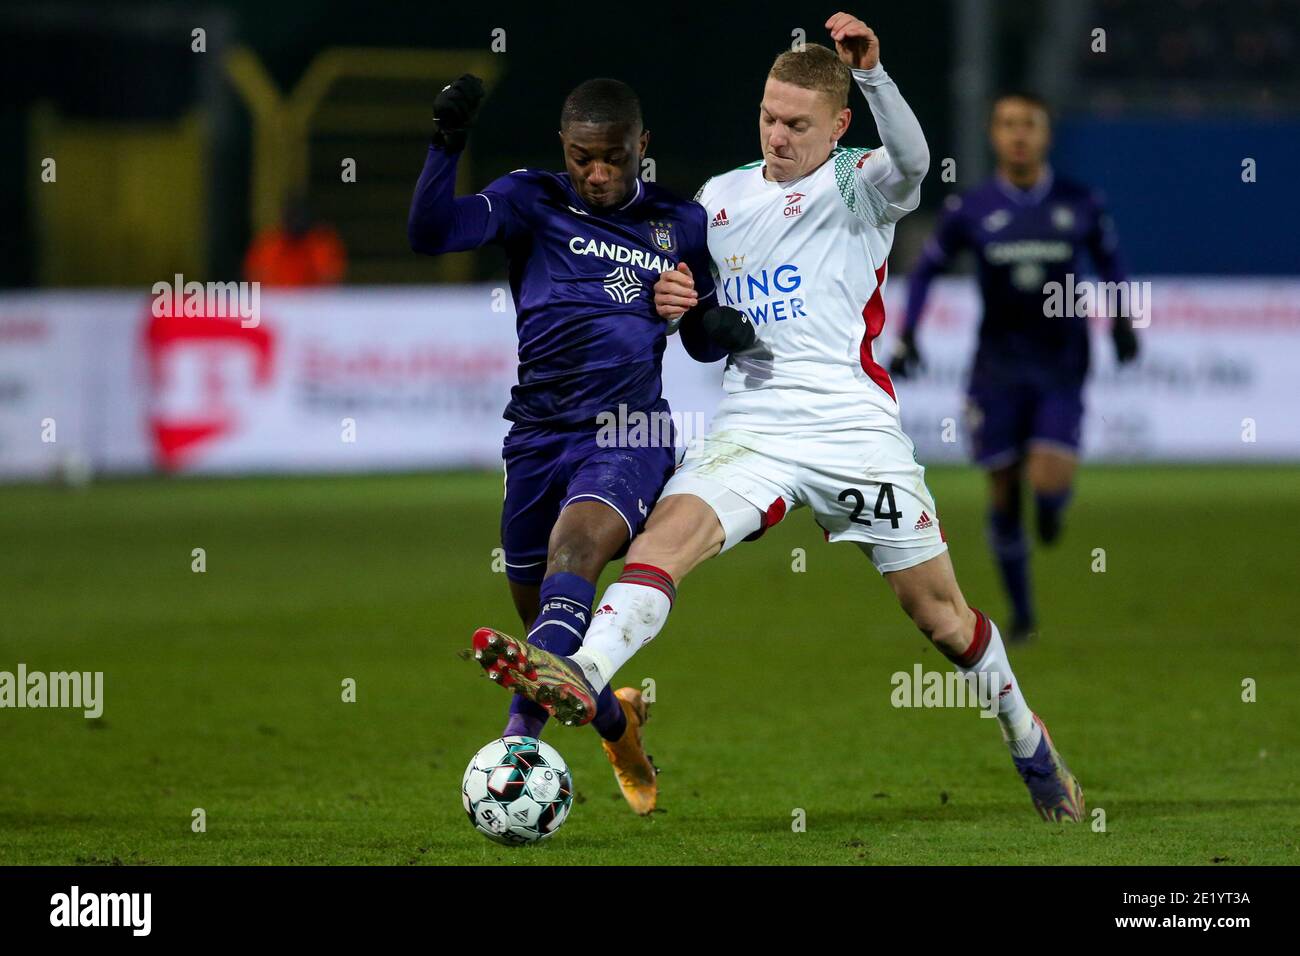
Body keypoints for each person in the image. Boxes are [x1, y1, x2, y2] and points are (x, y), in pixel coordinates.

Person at [471, 13, 1084, 824]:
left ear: (837, 125)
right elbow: (695, 324)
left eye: (798, 124)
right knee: (661, 544)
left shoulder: (859, 185)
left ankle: (1026, 738)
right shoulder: (718, 201)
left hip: (853, 432)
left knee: (938, 615)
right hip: (753, 427)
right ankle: (581, 673)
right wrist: (677, 304)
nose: (779, 136)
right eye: (768, 117)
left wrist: (874, 75)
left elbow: (915, 163)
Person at [411, 74, 746, 815]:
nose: (599, 174)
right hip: (535, 433)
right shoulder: (530, 198)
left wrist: (706, 320)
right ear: (564, 148)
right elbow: (431, 234)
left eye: (616, 159)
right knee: (545, 633)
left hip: (629, 432)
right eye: (585, 158)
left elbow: (702, 335)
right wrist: (447, 145)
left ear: (642, 148)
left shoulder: (678, 223)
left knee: (575, 556)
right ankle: (615, 721)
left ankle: (516, 748)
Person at [891, 92, 1139, 642]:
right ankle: (1022, 612)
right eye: (1008, 125)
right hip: (996, 368)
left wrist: (1123, 321)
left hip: (1061, 363)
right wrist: (908, 335)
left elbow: (1111, 262)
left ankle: (1049, 510)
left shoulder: (1080, 202)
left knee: (1048, 484)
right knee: (1002, 490)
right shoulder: (972, 209)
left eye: (1029, 125)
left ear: (1046, 135)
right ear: (993, 134)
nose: (1019, 135)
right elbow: (928, 270)